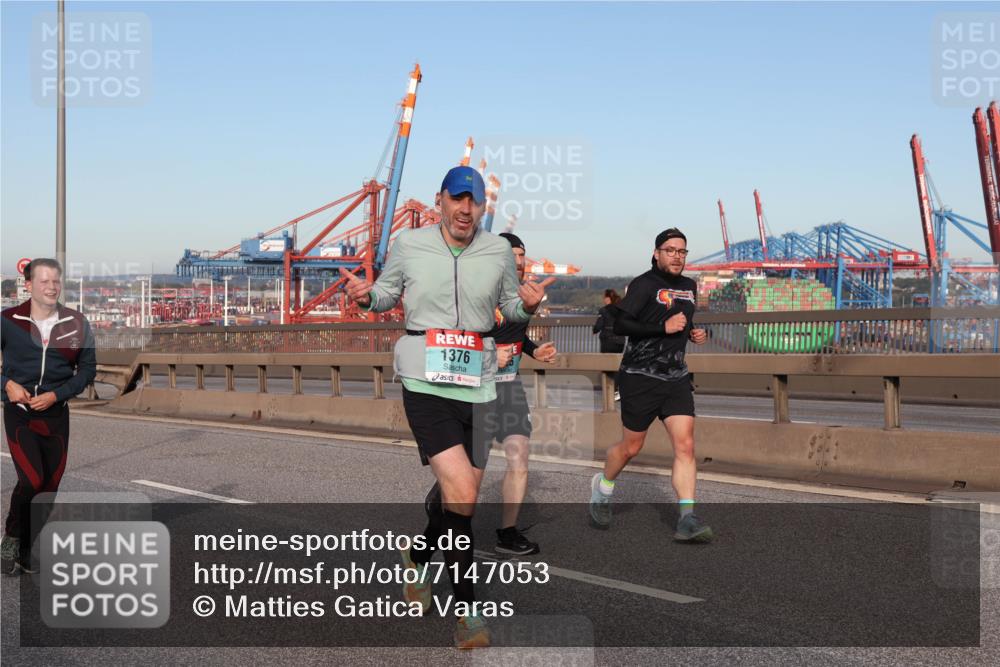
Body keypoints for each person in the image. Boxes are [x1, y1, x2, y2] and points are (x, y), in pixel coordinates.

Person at [339, 166, 553, 649]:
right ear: (440, 201)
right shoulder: (409, 245)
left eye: (473, 201)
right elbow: (386, 294)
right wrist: (366, 297)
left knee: (460, 498)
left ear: (481, 206)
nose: (464, 209)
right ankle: (468, 614)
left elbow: (508, 310)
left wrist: (528, 306)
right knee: (462, 491)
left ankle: (417, 558)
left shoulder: (497, 250)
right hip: (424, 378)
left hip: (479, 380)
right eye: (456, 199)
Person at [587, 229, 712, 542]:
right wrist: (663, 328)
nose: (676, 256)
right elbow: (623, 323)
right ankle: (603, 487)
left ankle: (687, 519)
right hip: (640, 376)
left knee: (685, 446)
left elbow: (681, 318)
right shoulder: (644, 284)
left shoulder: (689, 286)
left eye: (682, 251)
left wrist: (695, 333)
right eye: (670, 250)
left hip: (676, 377)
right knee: (632, 447)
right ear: (657, 253)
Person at [1, 258, 96, 575]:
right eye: (44, 281)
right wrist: (8, 385)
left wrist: (58, 394)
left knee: (49, 488)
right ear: (28, 285)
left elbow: (87, 370)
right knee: (31, 479)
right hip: (20, 413)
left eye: (56, 281)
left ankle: (27, 548)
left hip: (56, 414)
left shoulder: (76, 323)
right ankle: (12, 537)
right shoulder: (7, 320)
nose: (51, 286)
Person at [488, 232, 557, 556]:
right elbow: (456, 337)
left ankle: (508, 532)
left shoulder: (522, 294)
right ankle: (442, 510)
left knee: (519, 457)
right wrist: (488, 355)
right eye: (511, 254)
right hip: (475, 388)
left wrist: (533, 349)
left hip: (510, 387)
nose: (519, 261)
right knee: (466, 469)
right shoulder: (479, 292)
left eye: (521, 255)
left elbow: (516, 333)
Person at [592, 288, 627, 400]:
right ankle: (617, 390)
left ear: (608, 298)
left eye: (604, 298)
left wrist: (594, 330)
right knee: (617, 365)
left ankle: (609, 389)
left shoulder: (604, 310)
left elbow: (598, 326)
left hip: (608, 340)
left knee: (606, 364)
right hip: (620, 341)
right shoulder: (621, 309)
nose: (603, 300)